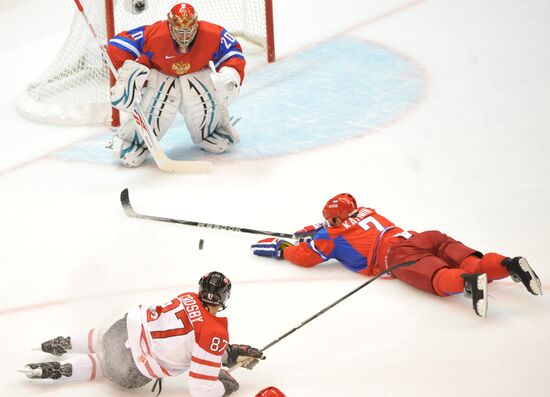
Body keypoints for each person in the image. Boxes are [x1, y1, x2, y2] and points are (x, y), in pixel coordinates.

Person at [251, 193, 542, 317]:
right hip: (423, 237)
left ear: (334, 221)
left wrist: (283, 248)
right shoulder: (366, 211)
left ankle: (467, 282)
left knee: (437, 276)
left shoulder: (330, 236)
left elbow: (307, 257)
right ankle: (508, 264)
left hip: (398, 255)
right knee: (472, 260)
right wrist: (317, 228)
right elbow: (342, 226)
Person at [22, 271, 265, 397]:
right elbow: (201, 388)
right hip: (134, 369)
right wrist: (223, 387)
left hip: (123, 327)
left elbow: (188, 338)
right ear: (225, 298)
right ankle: (61, 369)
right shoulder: (215, 333)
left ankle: (65, 343)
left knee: (102, 338)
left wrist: (228, 353)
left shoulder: (187, 297)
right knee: (104, 365)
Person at [106, 2, 245, 167]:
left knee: (201, 88)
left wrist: (230, 75)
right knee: (161, 96)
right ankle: (134, 142)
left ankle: (211, 131)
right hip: (160, 77)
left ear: (196, 25)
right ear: (170, 25)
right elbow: (117, 45)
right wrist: (128, 76)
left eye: (189, 31)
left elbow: (233, 52)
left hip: (196, 74)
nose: (184, 37)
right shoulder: (155, 34)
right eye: (180, 31)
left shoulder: (212, 34)